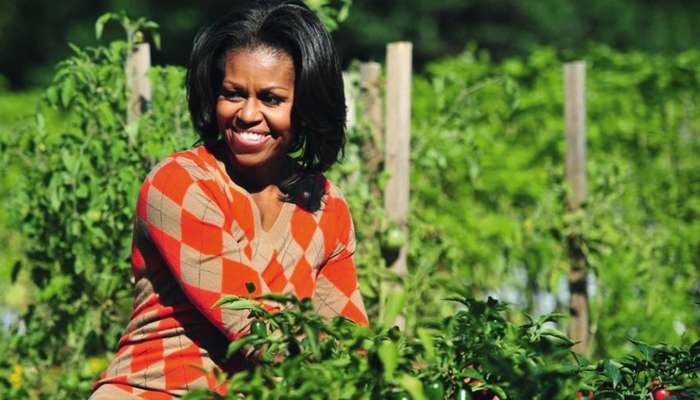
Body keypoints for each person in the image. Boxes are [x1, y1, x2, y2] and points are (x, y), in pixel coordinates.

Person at [90, 1, 368, 398]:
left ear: (306, 105)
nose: (248, 114)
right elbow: (254, 325)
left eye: (271, 99)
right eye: (233, 94)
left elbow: (348, 339)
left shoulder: (326, 206)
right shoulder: (181, 184)